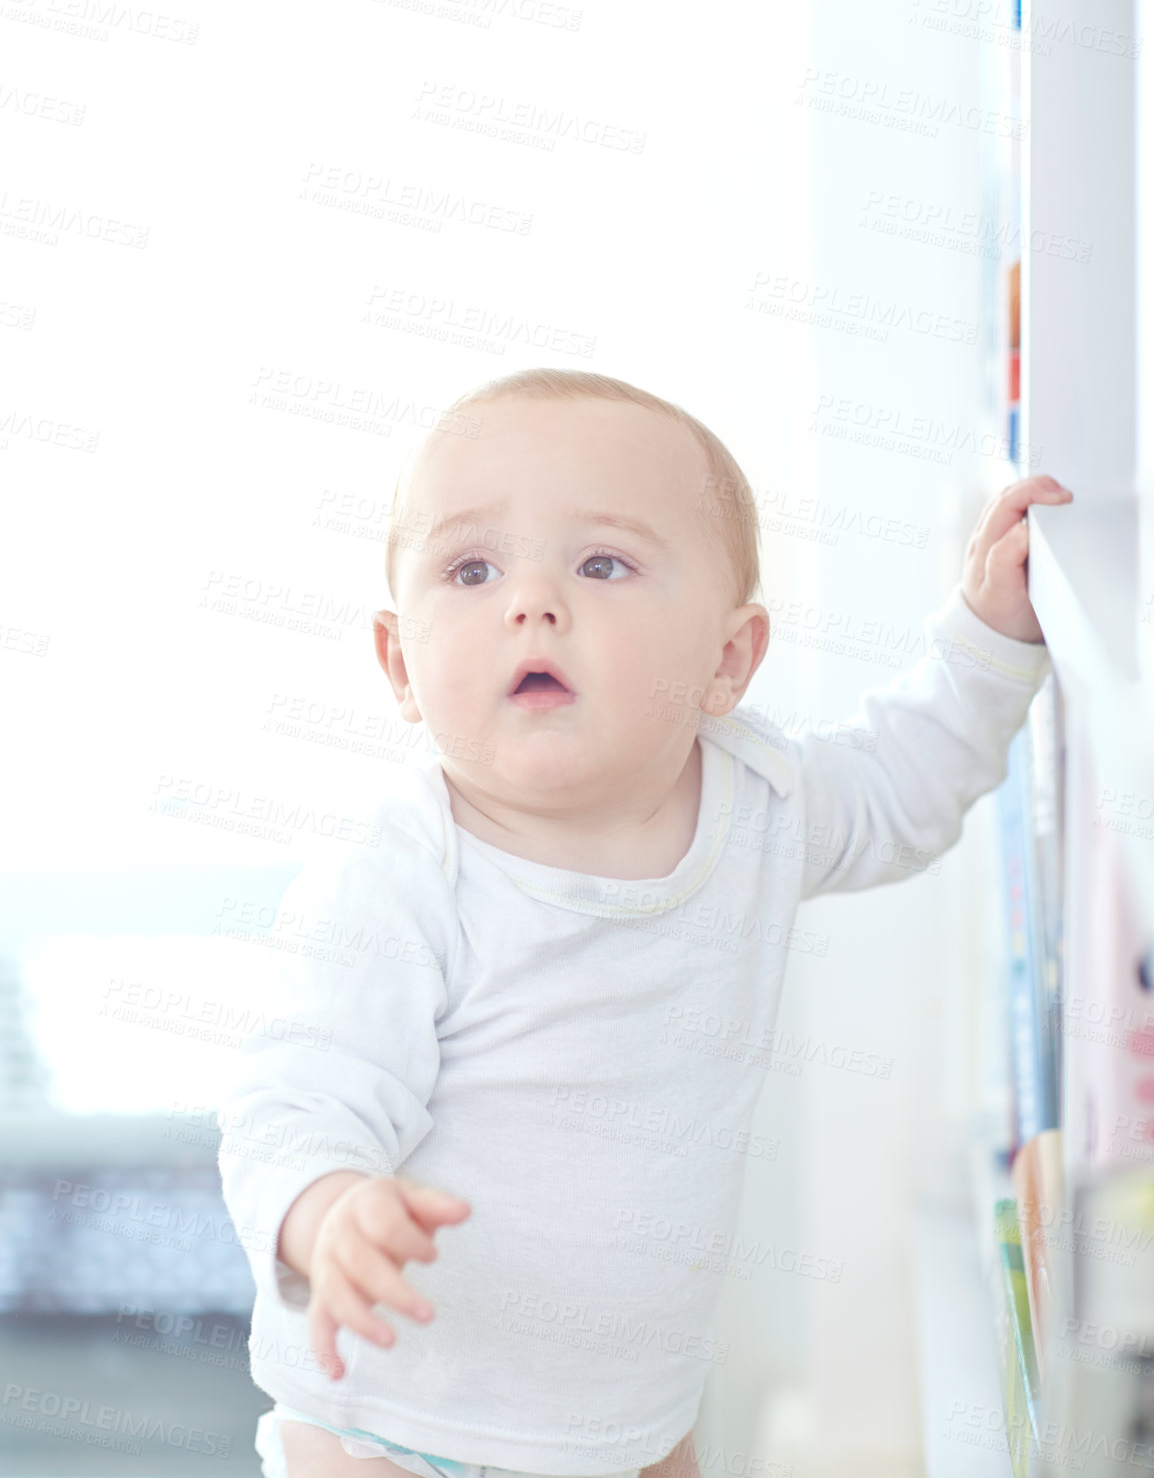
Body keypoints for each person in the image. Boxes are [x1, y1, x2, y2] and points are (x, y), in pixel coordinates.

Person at [217, 368, 1073, 1478]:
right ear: (398, 665)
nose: (531, 601)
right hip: (389, 1418)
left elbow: (906, 784)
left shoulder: (760, 802)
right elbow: (293, 1097)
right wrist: (326, 1209)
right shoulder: (401, 871)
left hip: (628, 1419)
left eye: (601, 564)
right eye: (471, 568)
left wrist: (986, 635)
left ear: (726, 659)